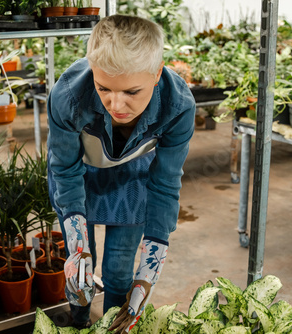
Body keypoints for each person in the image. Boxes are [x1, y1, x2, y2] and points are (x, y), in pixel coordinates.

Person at [47, 14, 196, 332]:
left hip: (132, 176)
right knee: (82, 269)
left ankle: (114, 324)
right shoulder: (68, 97)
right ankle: (79, 321)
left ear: (157, 73)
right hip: (79, 176)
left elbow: (165, 182)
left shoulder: (178, 106)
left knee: (118, 268)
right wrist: (78, 246)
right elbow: (64, 169)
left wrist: (148, 276)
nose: (117, 104)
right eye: (104, 88)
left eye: (131, 92)